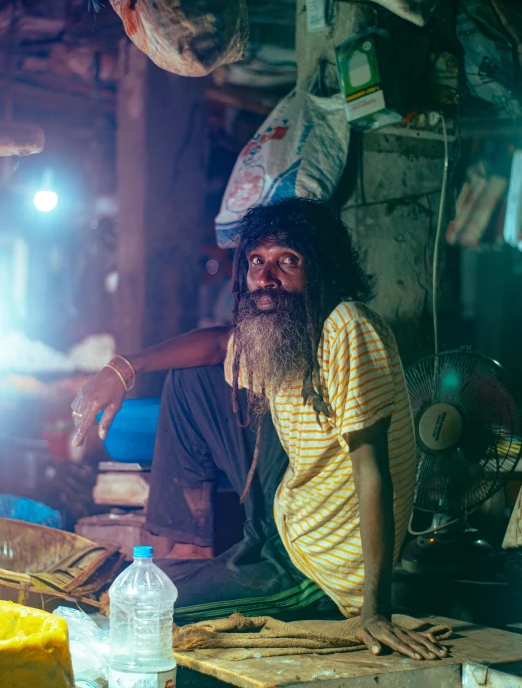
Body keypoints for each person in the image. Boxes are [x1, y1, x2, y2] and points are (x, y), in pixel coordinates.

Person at [72, 198, 446, 661]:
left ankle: (278, 588)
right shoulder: (284, 330)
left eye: (288, 260)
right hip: (282, 529)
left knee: (140, 609)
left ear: (321, 267)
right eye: (256, 261)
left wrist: (373, 611)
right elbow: (217, 344)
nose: (267, 277)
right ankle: (189, 544)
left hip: (320, 577)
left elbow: (374, 473)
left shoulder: (349, 326)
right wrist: (123, 367)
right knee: (190, 376)